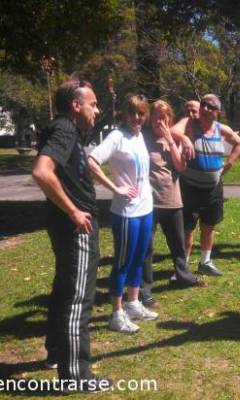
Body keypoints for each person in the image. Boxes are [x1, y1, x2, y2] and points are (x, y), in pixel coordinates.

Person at [32, 80, 111, 390]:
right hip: (76, 228)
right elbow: (41, 172)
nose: (97, 109)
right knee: (78, 298)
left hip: (67, 227)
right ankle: (76, 375)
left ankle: (56, 352)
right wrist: (74, 211)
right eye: (92, 103)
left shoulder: (65, 130)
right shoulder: (65, 130)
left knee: (64, 290)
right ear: (75, 105)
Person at [88, 95, 158, 334]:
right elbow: (92, 161)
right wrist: (115, 187)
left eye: (141, 114)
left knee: (140, 257)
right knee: (123, 261)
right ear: (125, 115)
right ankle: (116, 315)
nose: (137, 118)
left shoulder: (139, 136)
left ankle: (133, 303)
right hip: (126, 212)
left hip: (146, 208)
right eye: (133, 113)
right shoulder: (117, 137)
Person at [172, 94, 240, 276]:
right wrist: (186, 139)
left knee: (209, 225)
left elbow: (239, 142)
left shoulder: (221, 129)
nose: (205, 109)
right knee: (187, 228)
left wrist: (229, 163)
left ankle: (205, 262)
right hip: (189, 187)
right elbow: (172, 130)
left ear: (217, 112)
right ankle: (183, 266)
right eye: (203, 105)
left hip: (213, 189)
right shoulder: (190, 123)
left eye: (211, 107)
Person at [141, 100, 203, 308]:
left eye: (164, 117)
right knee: (146, 247)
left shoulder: (174, 139)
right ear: (150, 119)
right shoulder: (143, 138)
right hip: (149, 202)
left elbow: (180, 167)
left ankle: (183, 276)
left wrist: (171, 139)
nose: (160, 121)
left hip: (172, 199)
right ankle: (145, 290)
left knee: (177, 244)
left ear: (170, 119)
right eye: (156, 117)